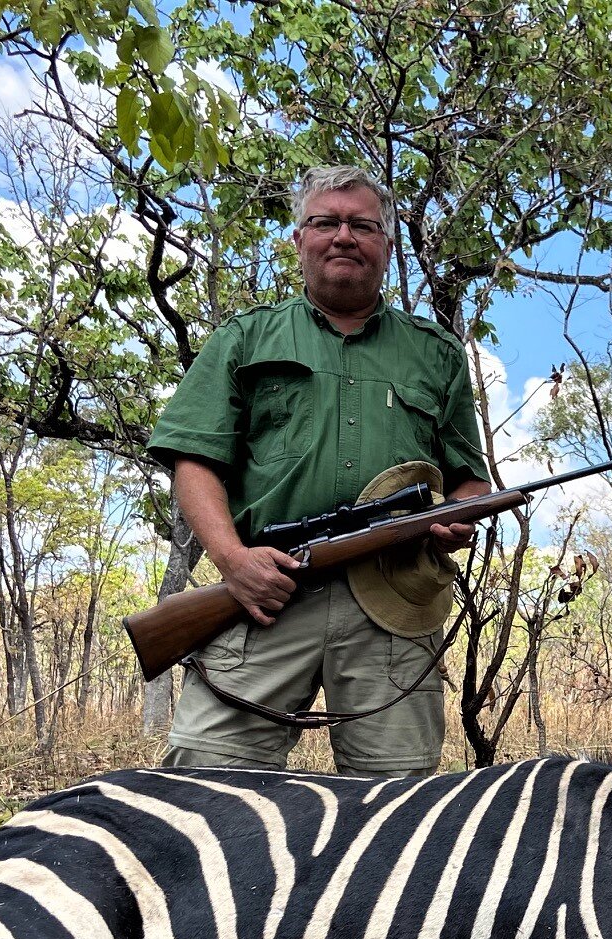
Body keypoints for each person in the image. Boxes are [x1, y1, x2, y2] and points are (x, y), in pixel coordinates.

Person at [147, 164, 492, 776]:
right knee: (202, 784)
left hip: (395, 606)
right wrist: (234, 561)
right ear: (298, 239)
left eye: (363, 225)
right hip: (263, 597)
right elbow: (192, 460)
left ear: (386, 245)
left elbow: (468, 478)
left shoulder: (437, 353)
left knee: (399, 806)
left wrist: (454, 518)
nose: (344, 236)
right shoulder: (246, 337)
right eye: (325, 221)